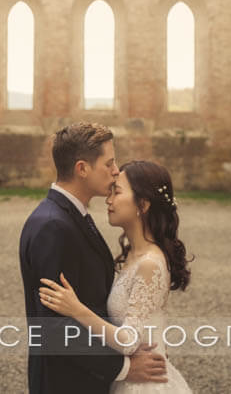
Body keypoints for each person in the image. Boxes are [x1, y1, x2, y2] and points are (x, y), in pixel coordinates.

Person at [19, 123, 170, 394]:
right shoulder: (52, 225)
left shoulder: (73, 216)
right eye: (109, 163)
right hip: (66, 383)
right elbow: (54, 327)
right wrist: (123, 368)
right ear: (82, 169)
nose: (115, 172)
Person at [39, 159, 194, 393]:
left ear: (142, 204)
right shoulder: (134, 254)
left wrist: (76, 309)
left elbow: (129, 340)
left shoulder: (150, 263)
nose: (108, 200)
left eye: (117, 192)